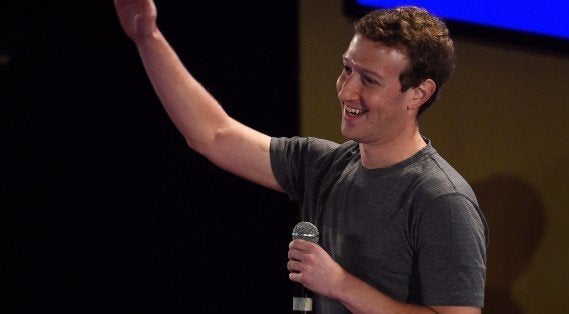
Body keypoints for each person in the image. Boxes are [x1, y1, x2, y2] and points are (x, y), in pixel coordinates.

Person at [114, 1, 488, 313]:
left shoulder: (442, 200)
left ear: (418, 94)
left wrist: (341, 285)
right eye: (346, 69)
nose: (346, 91)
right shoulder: (324, 165)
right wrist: (148, 38)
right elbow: (213, 135)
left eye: (369, 80)